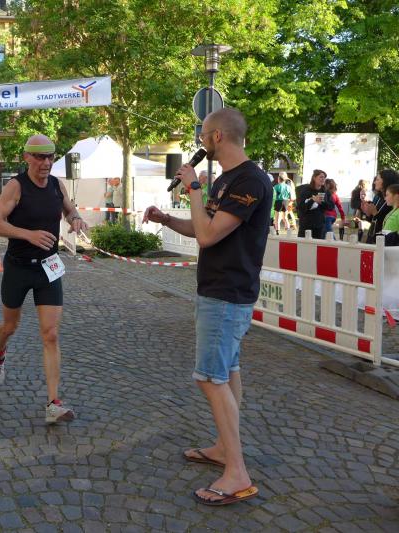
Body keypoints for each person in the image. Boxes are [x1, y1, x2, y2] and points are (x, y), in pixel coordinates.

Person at [143, 108, 270, 506]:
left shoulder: (250, 180)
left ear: (217, 136)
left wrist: (194, 187)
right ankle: (222, 448)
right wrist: (167, 218)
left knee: (209, 378)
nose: (200, 143)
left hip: (228, 292)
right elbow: (202, 225)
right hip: (219, 288)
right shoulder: (228, 180)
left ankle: (237, 473)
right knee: (227, 372)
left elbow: (209, 236)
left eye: (202, 136)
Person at [0, 134, 88, 424]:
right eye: (40, 157)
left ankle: (53, 403)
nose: (46, 163)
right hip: (18, 268)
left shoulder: (57, 185)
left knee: (51, 334)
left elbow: (69, 209)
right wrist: (28, 234)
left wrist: (75, 219)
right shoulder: (16, 186)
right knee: (10, 327)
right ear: (27, 157)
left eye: (50, 157)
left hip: (48, 268)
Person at [361, 169, 399, 244]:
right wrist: (368, 213)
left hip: (385, 242)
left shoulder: (391, 201)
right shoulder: (377, 197)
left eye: (377, 179)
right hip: (374, 238)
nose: (374, 182)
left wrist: (375, 213)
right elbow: (374, 221)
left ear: (386, 181)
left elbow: (387, 224)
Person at [296, 169, 333, 239]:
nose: (323, 179)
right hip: (306, 224)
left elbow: (331, 206)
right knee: (304, 244)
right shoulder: (306, 190)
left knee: (318, 244)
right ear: (314, 178)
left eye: (324, 177)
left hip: (319, 224)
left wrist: (322, 202)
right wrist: (313, 200)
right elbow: (300, 207)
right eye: (321, 177)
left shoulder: (325, 191)